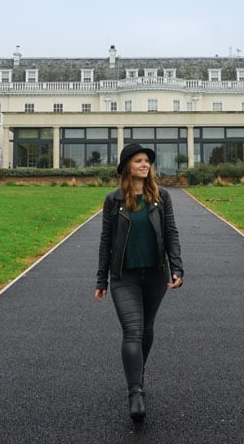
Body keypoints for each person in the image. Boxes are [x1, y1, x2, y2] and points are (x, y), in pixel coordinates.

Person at [95, 142, 184, 423]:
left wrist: (177, 267)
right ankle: (135, 393)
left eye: (147, 161)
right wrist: (102, 279)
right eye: (138, 161)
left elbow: (171, 233)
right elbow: (106, 241)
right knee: (132, 331)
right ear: (126, 168)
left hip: (155, 275)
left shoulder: (162, 197)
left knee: (146, 328)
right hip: (124, 276)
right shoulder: (113, 200)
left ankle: (138, 375)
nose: (145, 165)